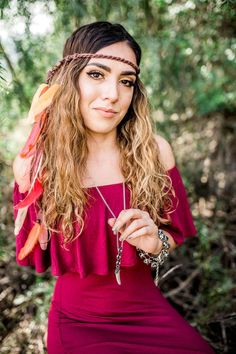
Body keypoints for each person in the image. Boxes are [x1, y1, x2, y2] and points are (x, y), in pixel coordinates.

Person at [12, 21, 215, 354]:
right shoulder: (36, 166)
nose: (112, 94)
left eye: (126, 82)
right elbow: (36, 257)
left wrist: (154, 241)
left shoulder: (154, 151)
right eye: (96, 75)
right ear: (69, 80)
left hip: (148, 313)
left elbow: (171, 237)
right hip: (76, 324)